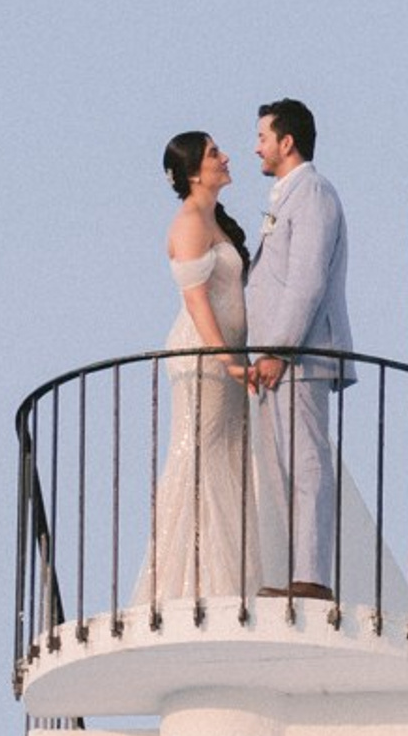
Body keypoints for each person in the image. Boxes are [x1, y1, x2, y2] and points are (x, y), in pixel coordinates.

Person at [138, 131, 255, 610]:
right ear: (192, 173)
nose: (225, 157)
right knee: (199, 456)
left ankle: (230, 576)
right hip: (203, 361)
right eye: (213, 154)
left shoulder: (214, 220)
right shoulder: (189, 221)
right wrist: (227, 358)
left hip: (225, 360)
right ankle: (189, 583)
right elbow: (195, 298)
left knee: (229, 458)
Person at [245, 96, 352, 601]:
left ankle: (311, 576)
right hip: (277, 363)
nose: (256, 148)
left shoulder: (312, 194)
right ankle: (292, 571)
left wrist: (277, 350)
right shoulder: (288, 196)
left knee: (306, 463)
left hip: (299, 359)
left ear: (287, 142)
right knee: (285, 470)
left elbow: (306, 281)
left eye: (263, 137)